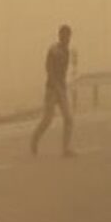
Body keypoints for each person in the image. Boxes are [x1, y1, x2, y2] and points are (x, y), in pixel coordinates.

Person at [30, 24, 75, 157]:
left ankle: (65, 149)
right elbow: (49, 70)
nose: (67, 38)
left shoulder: (67, 51)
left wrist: (63, 88)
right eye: (65, 36)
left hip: (62, 89)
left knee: (69, 119)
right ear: (60, 36)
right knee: (47, 120)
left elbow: (64, 73)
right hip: (52, 90)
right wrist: (57, 87)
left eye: (68, 36)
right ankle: (34, 139)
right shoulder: (54, 50)